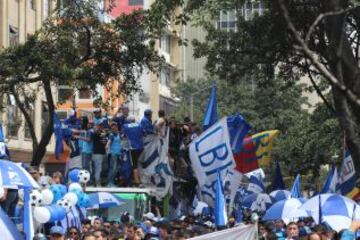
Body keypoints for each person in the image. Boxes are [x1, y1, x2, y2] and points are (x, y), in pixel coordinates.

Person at [122, 118, 145, 186]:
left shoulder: (126, 126)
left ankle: (137, 182)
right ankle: (141, 180)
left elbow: (123, 135)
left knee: (134, 165)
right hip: (141, 147)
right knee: (139, 164)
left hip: (133, 148)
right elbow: (144, 134)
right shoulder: (140, 125)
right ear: (134, 120)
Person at [106, 123, 122, 187]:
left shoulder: (119, 134)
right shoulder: (111, 135)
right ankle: (110, 183)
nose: (114, 129)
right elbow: (109, 141)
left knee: (116, 168)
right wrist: (107, 145)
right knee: (113, 168)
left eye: (115, 127)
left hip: (119, 154)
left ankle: (111, 182)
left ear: (117, 127)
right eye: (112, 128)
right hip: (113, 154)